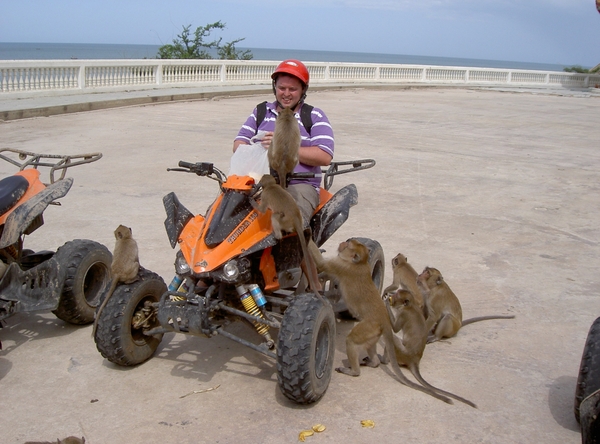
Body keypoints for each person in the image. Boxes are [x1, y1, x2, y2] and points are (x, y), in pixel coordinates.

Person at [233, 59, 334, 224]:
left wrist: (283, 148)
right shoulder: (261, 111)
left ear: (303, 90)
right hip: (259, 183)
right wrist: (258, 147)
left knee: (290, 225)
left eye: (293, 89)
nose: (286, 94)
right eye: (282, 88)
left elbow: (325, 156)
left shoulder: (314, 116)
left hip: (299, 184)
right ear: (275, 88)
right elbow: (238, 144)